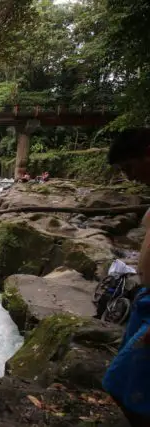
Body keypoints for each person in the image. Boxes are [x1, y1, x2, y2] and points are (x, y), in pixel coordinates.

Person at [102, 128, 150, 426]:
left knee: (128, 389)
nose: (130, 178)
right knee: (123, 385)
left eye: (129, 168)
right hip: (145, 302)